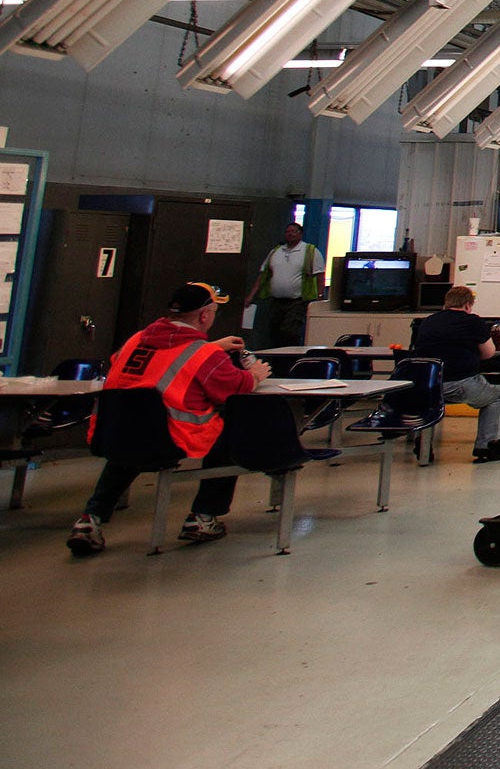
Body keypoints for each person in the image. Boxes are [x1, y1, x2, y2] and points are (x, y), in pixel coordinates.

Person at [68, 282, 267, 556]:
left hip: (112, 434)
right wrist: (255, 374)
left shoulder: (135, 340)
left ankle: (91, 519)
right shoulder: (203, 354)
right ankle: (203, 516)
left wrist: (212, 347)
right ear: (204, 316)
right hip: (172, 440)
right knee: (232, 427)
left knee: (134, 435)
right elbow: (235, 388)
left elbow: (165, 357)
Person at [411, 285, 500, 462]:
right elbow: (488, 353)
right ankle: (486, 447)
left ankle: (422, 442)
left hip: (427, 384)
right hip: (459, 382)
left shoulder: (428, 322)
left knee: (430, 404)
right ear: (467, 305)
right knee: (496, 395)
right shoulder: (473, 322)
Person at [245, 220, 324, 349]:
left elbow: (320, 275)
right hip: (276, 302)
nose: (290, 234)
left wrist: (320, 297)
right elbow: (263, 275)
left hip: (297, 302)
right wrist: (251, 296)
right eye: (288, 232)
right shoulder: (276, 251)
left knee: (290, 332)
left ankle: (289, 362)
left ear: (300, 234)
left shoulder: (310, 251)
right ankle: (276, 363)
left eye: (294, 231)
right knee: (275, 332)